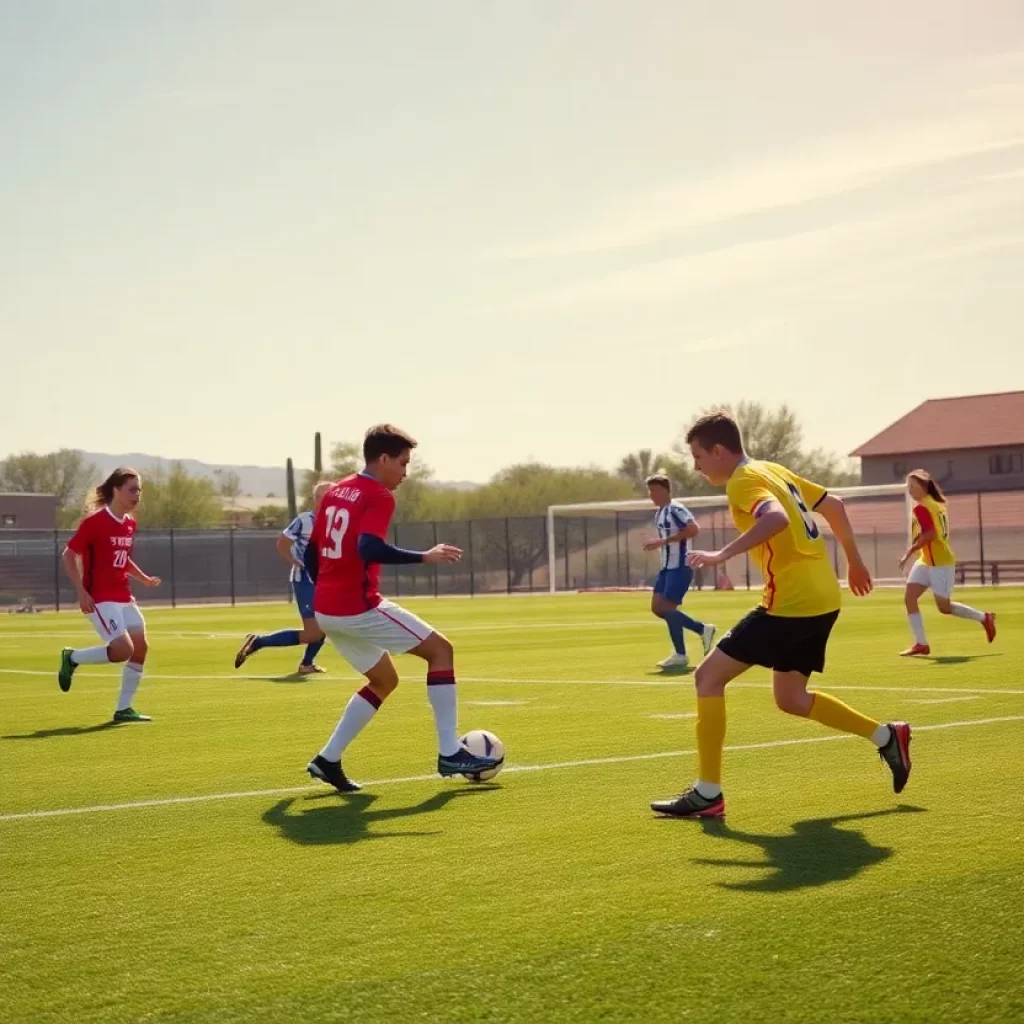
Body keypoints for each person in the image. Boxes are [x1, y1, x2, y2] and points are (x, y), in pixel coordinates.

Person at [649, 413, 912, 818]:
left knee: (707, 676)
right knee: (790, 698)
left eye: (699, 457)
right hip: (822, 598)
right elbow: (836, 506)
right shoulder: (772, 469)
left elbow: (774, 518)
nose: (696, 467)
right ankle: (887, 737)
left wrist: (723, 554)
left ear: (719, 451)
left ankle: (707, 794)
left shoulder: (743, 480)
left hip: (791, 603)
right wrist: (854, 563)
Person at [304, 424, 503, 793]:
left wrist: (326, 592)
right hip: (357, 606)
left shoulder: (334, 492)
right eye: (403, 463)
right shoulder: (377, 495)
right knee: (441, 651)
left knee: (384, 680)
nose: (405, 473)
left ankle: (327, 759)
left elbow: (312, 551)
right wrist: (424, 557)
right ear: (383, 459)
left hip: (327, 609)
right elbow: (368, 548)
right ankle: (449, 752)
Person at [57, 468, 162, 722]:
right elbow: (69, 555)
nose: (137, 495)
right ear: (116, 490)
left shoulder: (129, 524)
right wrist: (82, 591)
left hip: (124, 596)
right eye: (132, 489)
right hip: (101, 598)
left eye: (139, 490)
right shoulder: (94, 523)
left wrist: (143, 578)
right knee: (123, 649)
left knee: (140, 648)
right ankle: (72, 658)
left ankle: (123, 709)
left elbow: (122, 560)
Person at [234, 482, 332, 675]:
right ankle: (258, 642)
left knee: (327, 624)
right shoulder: (304, 521)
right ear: (319, 499)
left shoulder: (335, 522)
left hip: (324, 583)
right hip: (305, 581)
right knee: (313, 632)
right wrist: (294, 561)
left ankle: (307, 664)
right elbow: (283, 542)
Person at [899, 470, 995, 656]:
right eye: (908, 487)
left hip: (940, 562)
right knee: (910, 597)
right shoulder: (935, 505)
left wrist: (910, 551)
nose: (910, 490)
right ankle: (921, 644)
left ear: (925, 487)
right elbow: (929, 530)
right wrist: (915, 548)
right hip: (927, 560)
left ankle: (984, 617)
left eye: (913, 486)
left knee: (944, 607)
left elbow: (931, 534)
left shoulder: (921, 507)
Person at [642, 474, 716, 670]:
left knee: (667, 608)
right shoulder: (659, 513)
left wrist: (662, 541)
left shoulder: (676, 508)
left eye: (656, 490)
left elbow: (693, 529)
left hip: (680, 566)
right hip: (667, 567)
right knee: (658, 608)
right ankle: (702, 629)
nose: (652, 495)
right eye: (650, 491)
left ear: (667, 490)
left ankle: (681, 654)